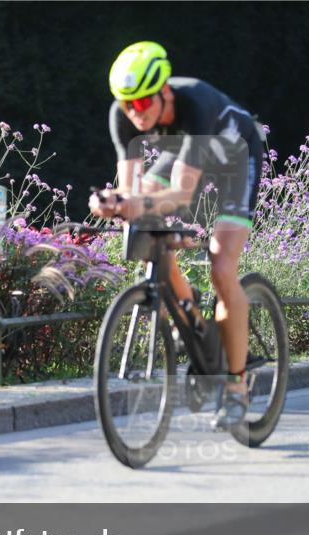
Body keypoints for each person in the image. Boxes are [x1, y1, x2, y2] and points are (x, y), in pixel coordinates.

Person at [89, 41, 264, 429]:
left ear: (164, 91)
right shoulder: (122, 115)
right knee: (144, 221)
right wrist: (112, 203)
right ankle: (190, 314)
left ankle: (236, 387)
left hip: (235, 156)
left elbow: (183, 194)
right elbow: (131, 191)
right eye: (127, 104)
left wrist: (135, 203)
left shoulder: (196, 104)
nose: (134, 112)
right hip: (186, 150)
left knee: (222, 266)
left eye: (142, 102)